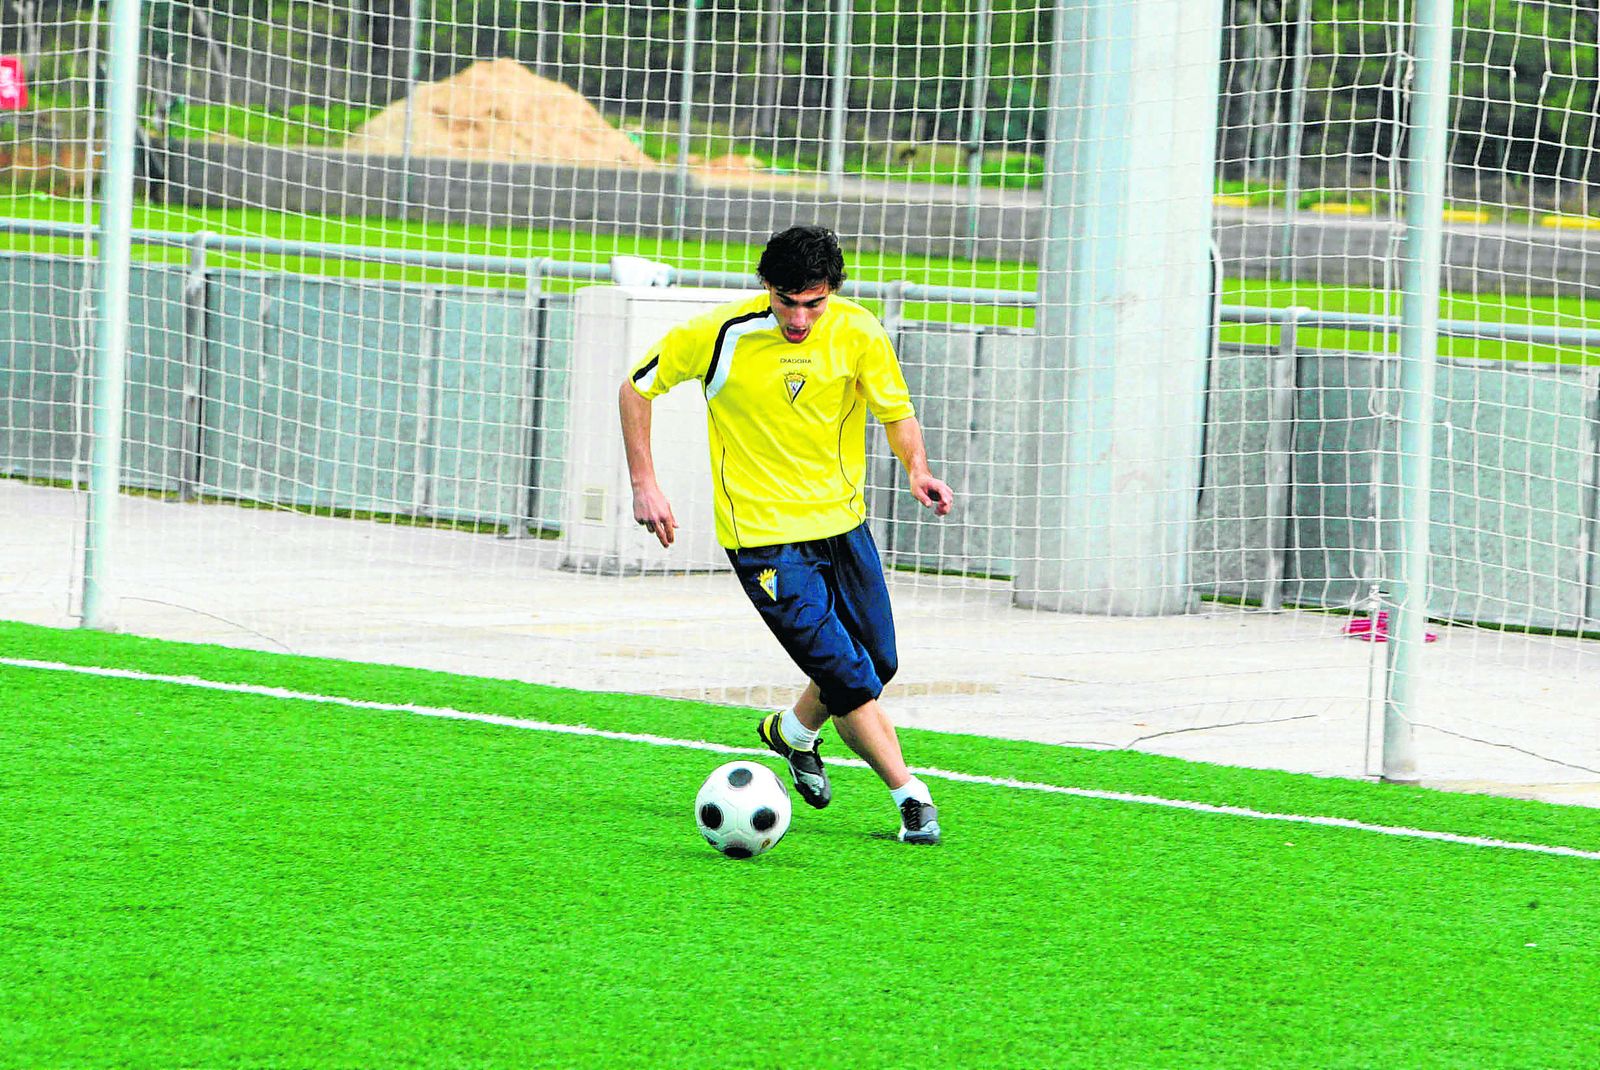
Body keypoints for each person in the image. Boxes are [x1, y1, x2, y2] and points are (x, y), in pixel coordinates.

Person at [618, 225, 955, 845]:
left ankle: (793, 734)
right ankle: (911, 796)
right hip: (763, 538)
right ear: (765, 286)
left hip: (843, 525)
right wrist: (646, 483)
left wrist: (918, 471)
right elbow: (637, 388)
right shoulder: (718, 333)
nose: (799, 317)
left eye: (814, 302)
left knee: (877, 662)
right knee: (848, 674)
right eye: (786, 300)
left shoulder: (859, 331)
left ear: (833, 294)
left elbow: (894, 410)